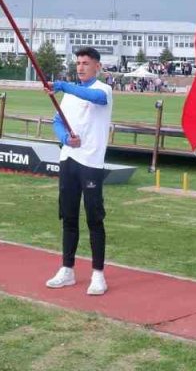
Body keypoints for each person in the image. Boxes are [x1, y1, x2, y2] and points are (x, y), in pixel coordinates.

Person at [45, 47, 115, 296]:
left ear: (97, 66)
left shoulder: (103, 90)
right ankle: (67, 269)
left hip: (91, 163)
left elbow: (95, 99)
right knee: (68, 216)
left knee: (94, 218)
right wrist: (65, 138)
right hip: (69, 160)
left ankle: (98, 274)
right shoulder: (69, 95)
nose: (81, 67)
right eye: (78, 63)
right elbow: (57, 121)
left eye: (86, 63)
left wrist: (63, 85)